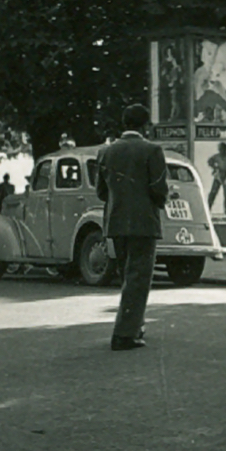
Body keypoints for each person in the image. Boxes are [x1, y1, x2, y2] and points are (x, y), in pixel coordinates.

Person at [96, 104, 169, 351]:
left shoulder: (105, 152)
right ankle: (124, 334)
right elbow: (159, 190)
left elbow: (101, 192)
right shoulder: (152, 151)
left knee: (127, 275)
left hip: (116, 222)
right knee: (139, 278)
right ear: (145, 125)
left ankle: (134, 325)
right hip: (144, 222)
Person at [207, 142, 226, 217]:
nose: (222, 150)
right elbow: (210, 161)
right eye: (221, 149)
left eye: (223, 149)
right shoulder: (216, 156)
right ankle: (208, 207)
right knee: (213, 192)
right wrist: (215, 168)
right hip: (218, 175)